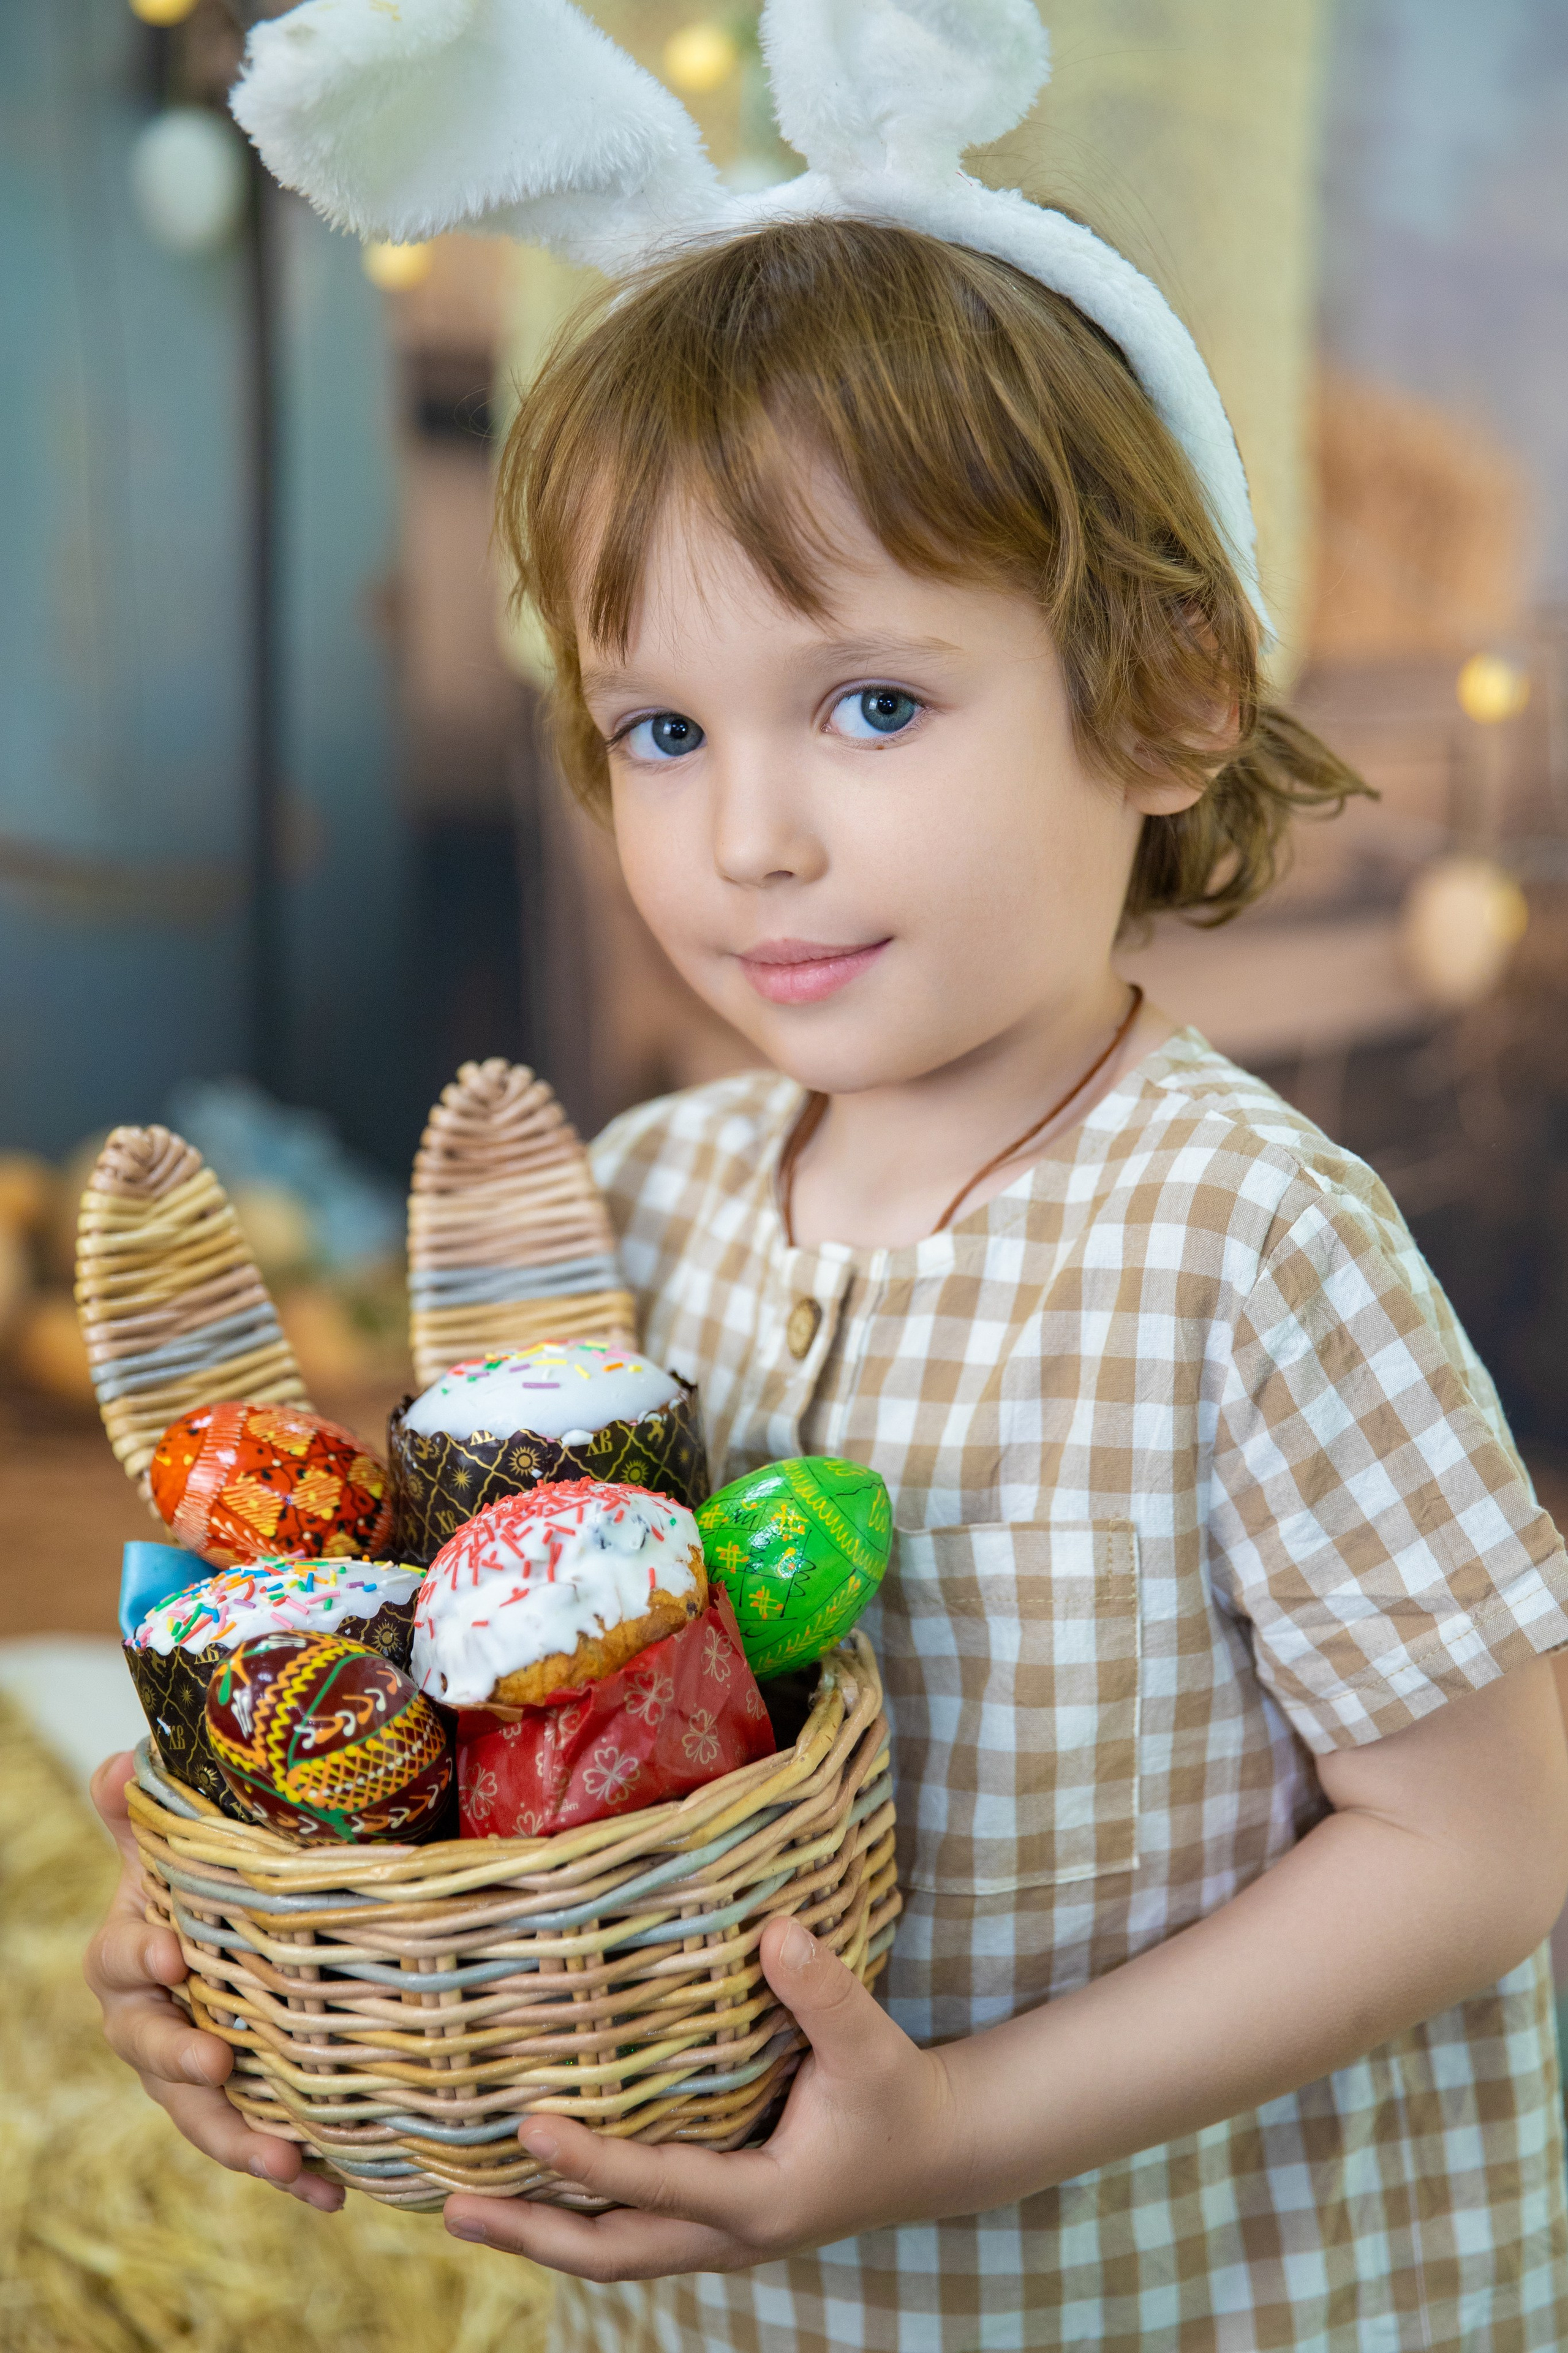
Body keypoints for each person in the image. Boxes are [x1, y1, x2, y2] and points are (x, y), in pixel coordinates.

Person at [86, 7, 1568, 2349]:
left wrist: (962, 2123)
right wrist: (268, 1940)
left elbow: (1487, 1843)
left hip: (1169, 2295)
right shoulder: (638, 1206)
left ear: (1167, 692)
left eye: (870, 702)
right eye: (661, 726)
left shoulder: (1244, 1240)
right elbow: (502, 1740)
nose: (746, 833)